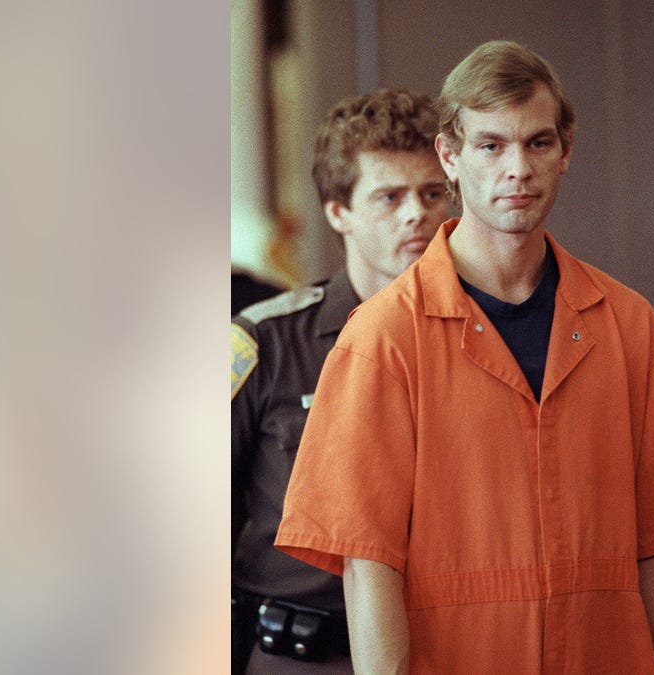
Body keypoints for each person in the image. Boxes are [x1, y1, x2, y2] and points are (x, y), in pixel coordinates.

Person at [275, 41, 654, 673]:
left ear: (566, 151)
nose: (518, 168)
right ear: (450, 157)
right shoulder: (381, 339)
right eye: (491, 146)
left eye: (538, 143)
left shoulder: (628, 327)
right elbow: (366, 567)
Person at [231, 88, 448, 674]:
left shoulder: (480, 339)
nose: (416, 214)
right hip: (305, 654)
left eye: (433, 194)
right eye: (389, 196)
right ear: (337, 212)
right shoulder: (266, 342)